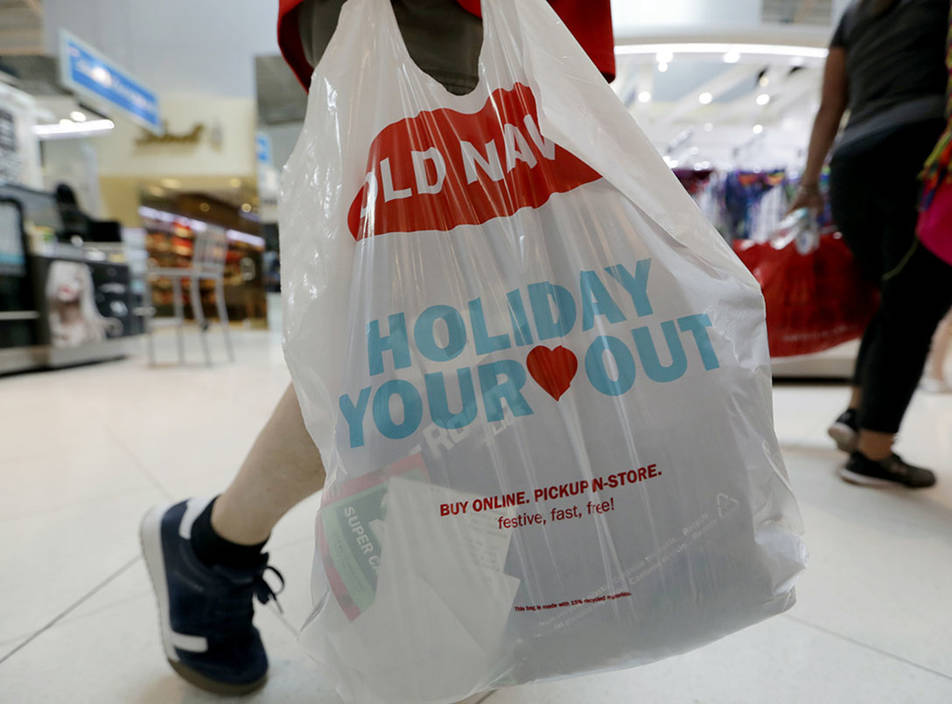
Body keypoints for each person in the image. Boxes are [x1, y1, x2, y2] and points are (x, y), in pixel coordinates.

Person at [139, 0, 614, 696]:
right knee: (427, 326)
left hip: (555, 24)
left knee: (483, 325)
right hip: (434, 11)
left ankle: (214, 546)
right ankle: (245, 553)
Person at [791, 0, 952, 488]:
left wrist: (808, 186)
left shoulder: (856, 12)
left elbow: (831, 105)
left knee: (892, 304)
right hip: (936, 155)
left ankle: (856, 416)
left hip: (853, 165)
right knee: (912, 312)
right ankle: (873, 453)